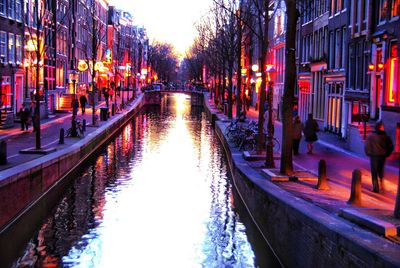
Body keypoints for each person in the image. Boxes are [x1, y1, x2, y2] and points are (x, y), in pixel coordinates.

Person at [364, 121, 394, 193]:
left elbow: (367, 145)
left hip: (374, 156)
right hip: (382, 156)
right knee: (380, 170)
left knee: (374, 172)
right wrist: (387, 153)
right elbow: (391, 146)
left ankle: (375, 187)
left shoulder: (371, 136)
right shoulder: (386, 136)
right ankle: (381, 185)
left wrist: (368, 153)